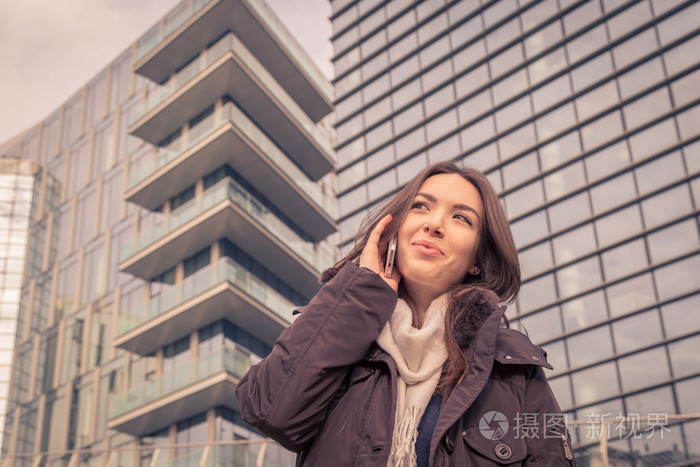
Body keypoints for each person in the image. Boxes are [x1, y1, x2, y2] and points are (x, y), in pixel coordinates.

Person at [235, 161, 576, 466]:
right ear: (395, 230)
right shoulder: (344, 325)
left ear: (476, 260)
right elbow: (269, 410)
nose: (434, 223)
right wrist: (361, 292)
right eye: (421, 206)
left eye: (461, 217)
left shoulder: (514, 371)